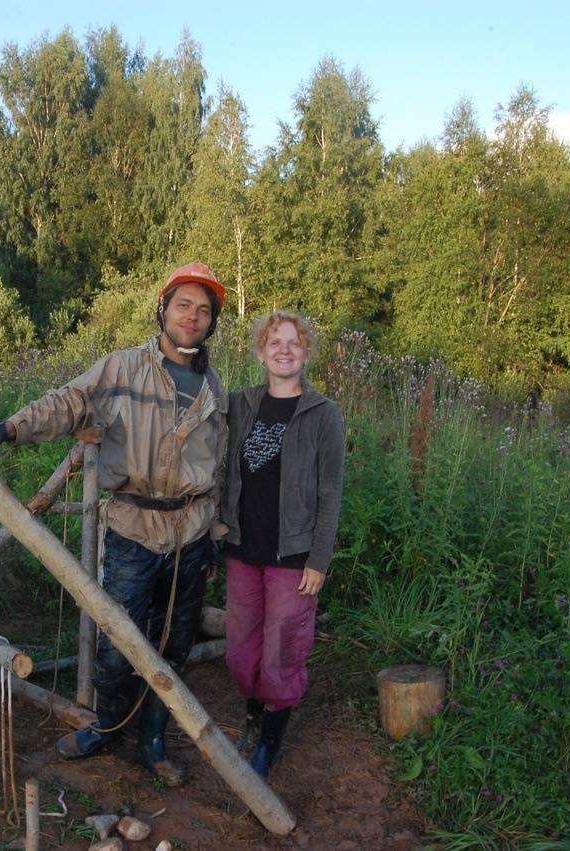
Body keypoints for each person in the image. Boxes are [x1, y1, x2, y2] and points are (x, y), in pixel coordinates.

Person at [0, 262, 228, 786]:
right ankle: (107, 726)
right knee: (118, 643)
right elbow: (68, 403)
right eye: (184, 305)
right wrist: (7, 430)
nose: (193, 317)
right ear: (163, 309)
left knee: (174, 644)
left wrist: (216, 533)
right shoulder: (124, 368)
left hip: (191, 534)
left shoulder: (214, 388)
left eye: (203, 310)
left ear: (211, 322)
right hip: (134, 529)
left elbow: (218, 466)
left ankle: (152, 738)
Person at [218, 310, 344, 780]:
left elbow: (331, 492)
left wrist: (319, 559)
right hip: (243, 547)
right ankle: (253, 718)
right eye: (275, 342)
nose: (284, 350)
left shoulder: (323, 413)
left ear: (306, 352)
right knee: (240, 653)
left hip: (294, 556)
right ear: (260, 352)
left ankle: (269, 742)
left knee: (282, 652)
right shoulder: (241, 404)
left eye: (294, 342)